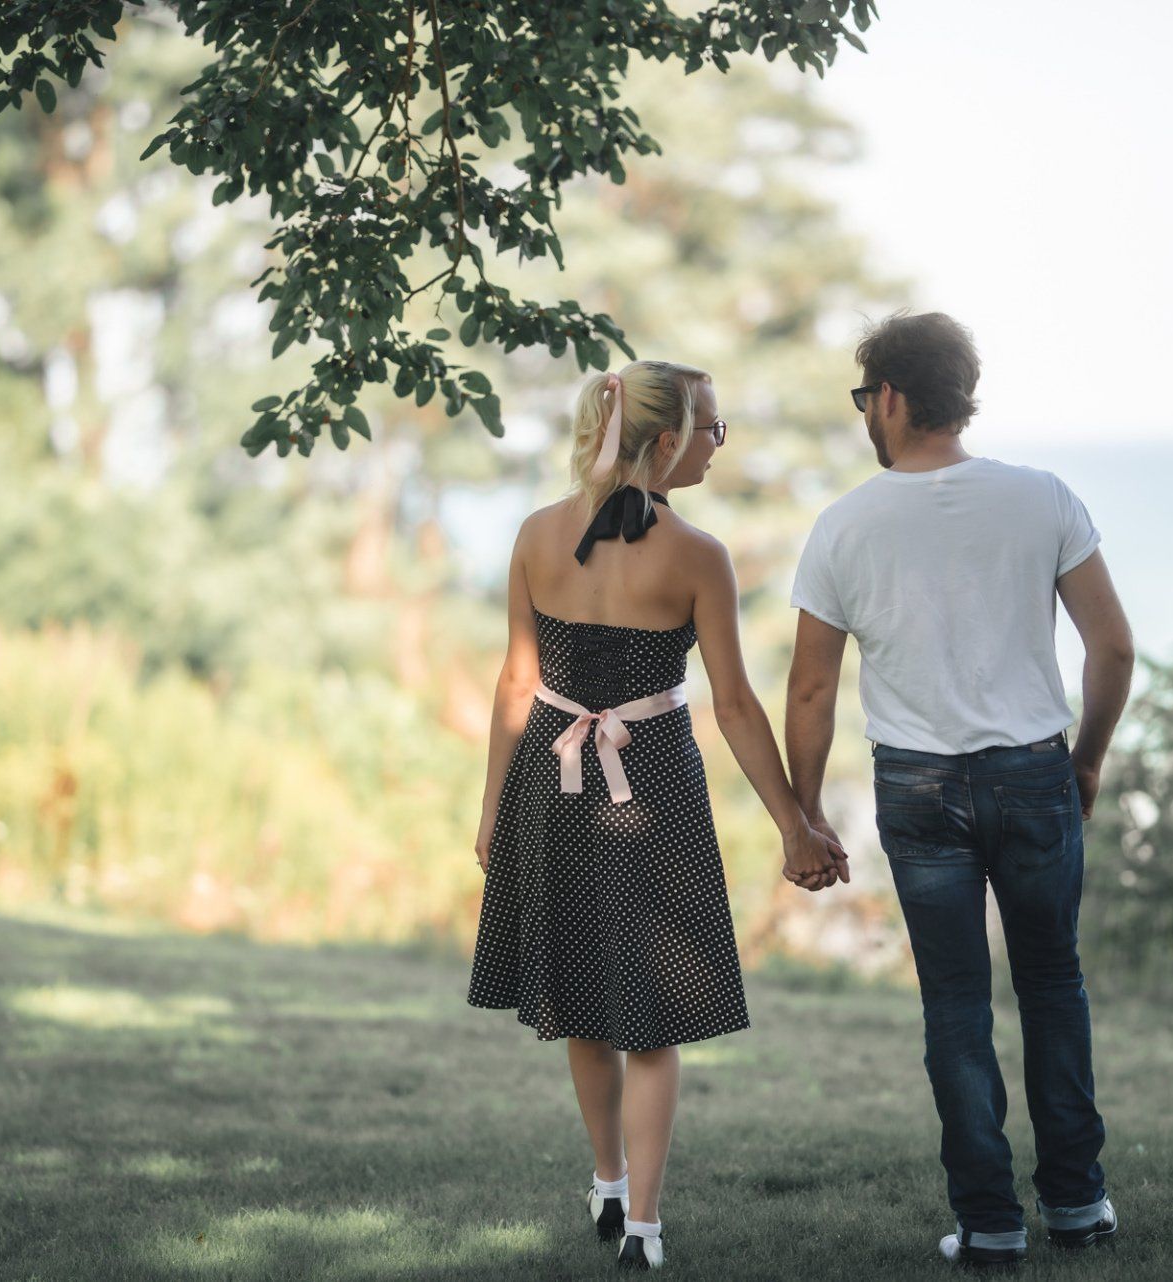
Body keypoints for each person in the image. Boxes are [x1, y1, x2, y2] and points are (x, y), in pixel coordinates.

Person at [467, 359, 846, 1271]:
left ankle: (604, 1179)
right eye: (712, 428)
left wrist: (492, 814)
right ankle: (642, 1222)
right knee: (652, 1022)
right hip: (655, 791)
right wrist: (795, 823)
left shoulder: (534, 534)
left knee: (582, 1006)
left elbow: (519, 685)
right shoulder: (699, 556)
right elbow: (737, 708)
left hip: (550, 791)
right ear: (667, 437)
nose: (718, 445)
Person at [783, 312, 1136, 1270]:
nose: (866, 414)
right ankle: (1077, 1208)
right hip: (1033, 772)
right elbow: (1112, 647)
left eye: (865, 397)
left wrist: (807, 815)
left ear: (891, 398)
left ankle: (987, 1224)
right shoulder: (1042, 498)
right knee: (1053, 985)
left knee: (954, 1004)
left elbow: (812, 687)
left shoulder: (844, 524)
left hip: (919, 787)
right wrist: (1089, 759)